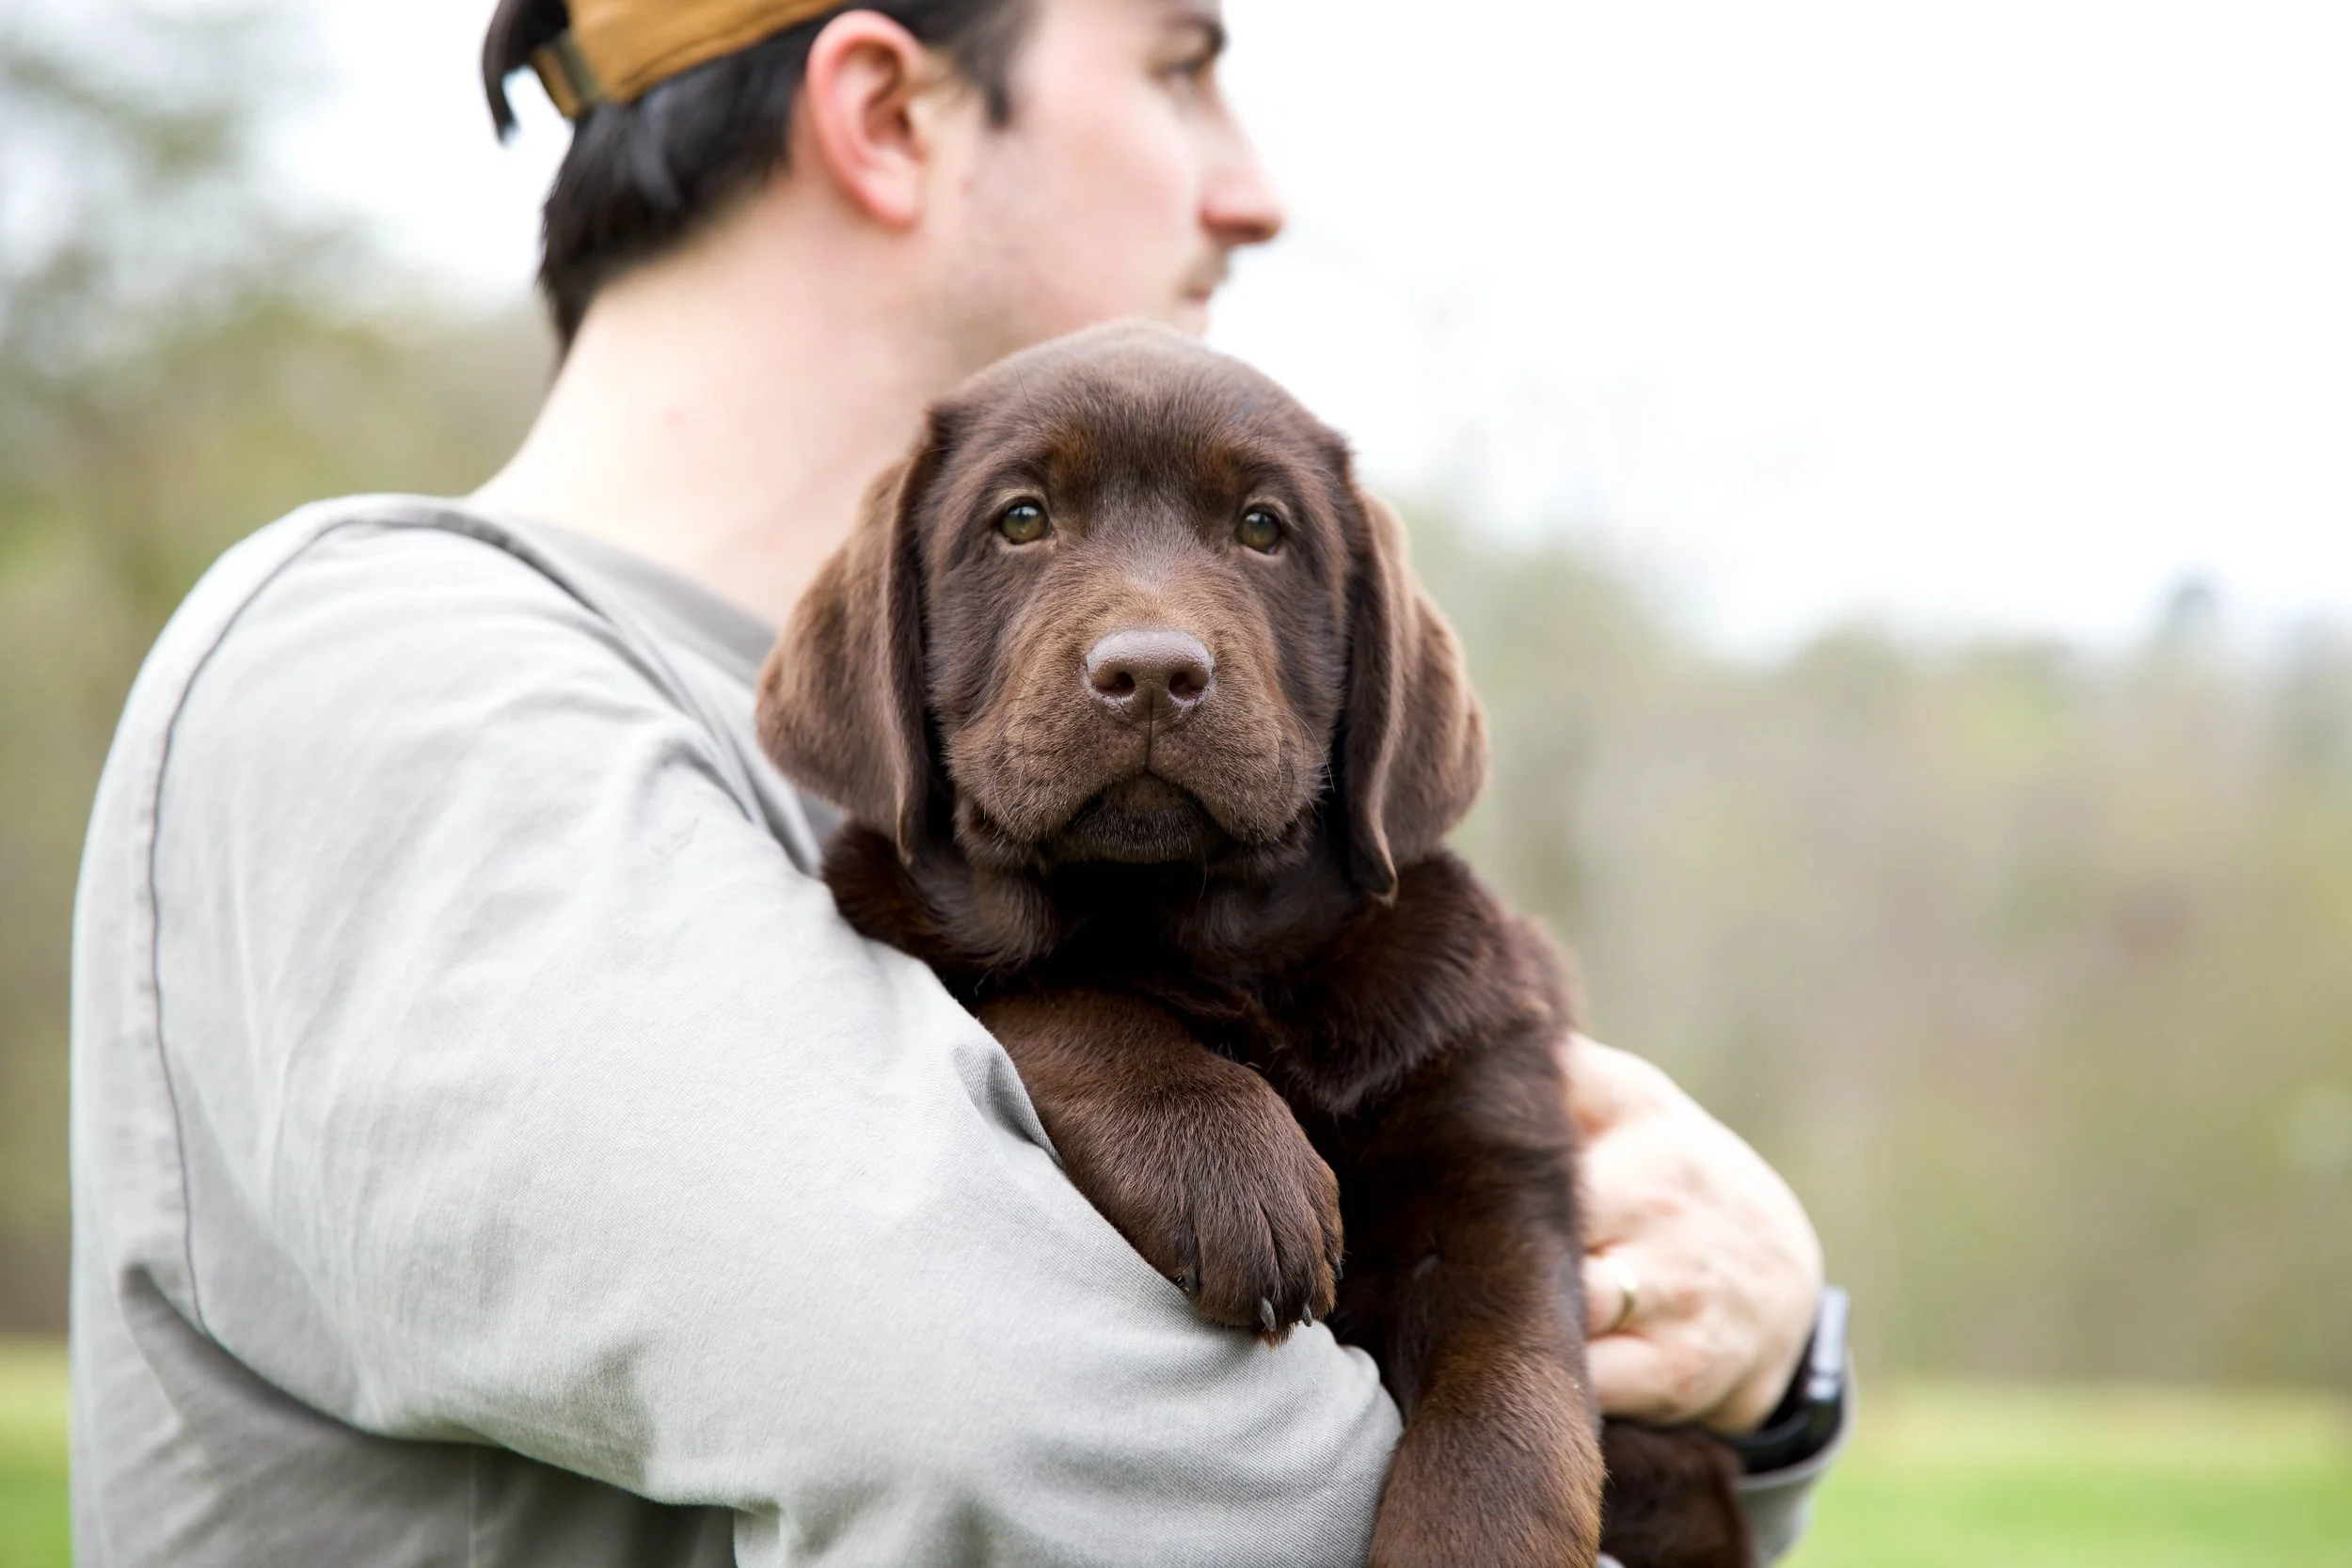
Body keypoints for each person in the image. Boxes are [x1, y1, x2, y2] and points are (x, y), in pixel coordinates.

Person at [69, 0, 1841, 1561]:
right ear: (888, 114)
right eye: (1180, 65)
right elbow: (1043, 1459)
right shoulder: (392, 689)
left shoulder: (890, 746)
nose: (1257, 187)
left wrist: (1762, 1380)